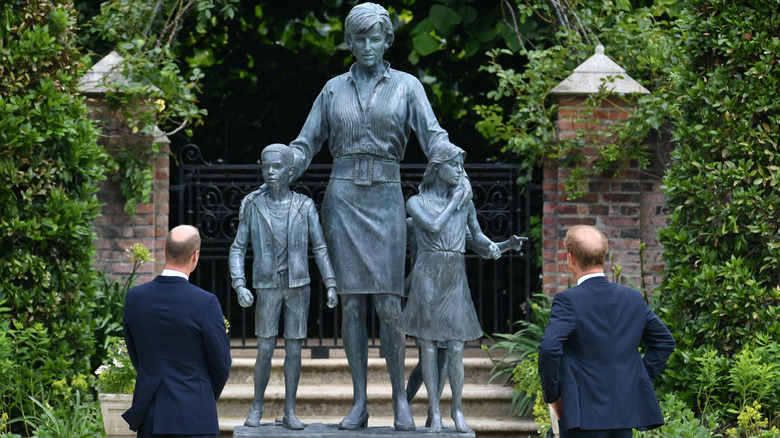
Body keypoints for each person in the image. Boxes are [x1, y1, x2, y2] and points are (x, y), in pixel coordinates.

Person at [285, 2, 471, 431]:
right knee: (351, 305)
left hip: (386, 199)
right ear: (349, 42)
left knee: (389, 304)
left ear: (387, 40)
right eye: (359, 38)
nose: (367, 46)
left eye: (375, 38)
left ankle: (399, 401)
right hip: (343, 199)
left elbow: (433, 135)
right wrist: (285, 164)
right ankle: (360, 402)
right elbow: (306, 142)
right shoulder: (332, 89)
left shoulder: (407, 86)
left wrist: (456, 166)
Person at [229, 144, 338, 430]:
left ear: (291, 170)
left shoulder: (304, 206)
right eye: (266, 167)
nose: (271, 172)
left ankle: (290, 410)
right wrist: (239, 284)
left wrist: (330, 283)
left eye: (277, 167)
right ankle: (257, 406)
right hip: (267, 286)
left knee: (294, 349)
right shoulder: (253, 205)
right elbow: (238, 248)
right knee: (264, 348)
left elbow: (321, 247)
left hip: (299, 286)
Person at [399, 143, 501, 433]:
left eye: (461, 165)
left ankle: (456, 409)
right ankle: (434, 413)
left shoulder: (465, 203)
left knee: (456, 346)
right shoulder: (416, 202)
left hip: (454, 274)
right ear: (436, 169)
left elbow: (477, 237)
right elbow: (432, 226)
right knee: (428, 347)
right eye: (453, 165)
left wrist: (497, 246)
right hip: (427, 275)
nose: (459, 170)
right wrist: (456, 199)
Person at [537, 225, 676, 438]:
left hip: (583, 416)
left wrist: (553, 397)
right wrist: (636, 381)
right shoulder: (632, 298)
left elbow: (549, 348)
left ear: (571, 259)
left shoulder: (568, 301)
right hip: (623, 412)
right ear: (603, 255)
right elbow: (664, 342)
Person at [122, 225, 232, 438]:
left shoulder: (135, 298)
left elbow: (136, 356)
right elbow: (221, 364)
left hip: (150, 416)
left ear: (165, 250)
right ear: (195, 256)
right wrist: (202, 395)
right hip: (194, 418)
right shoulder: (206, 303)